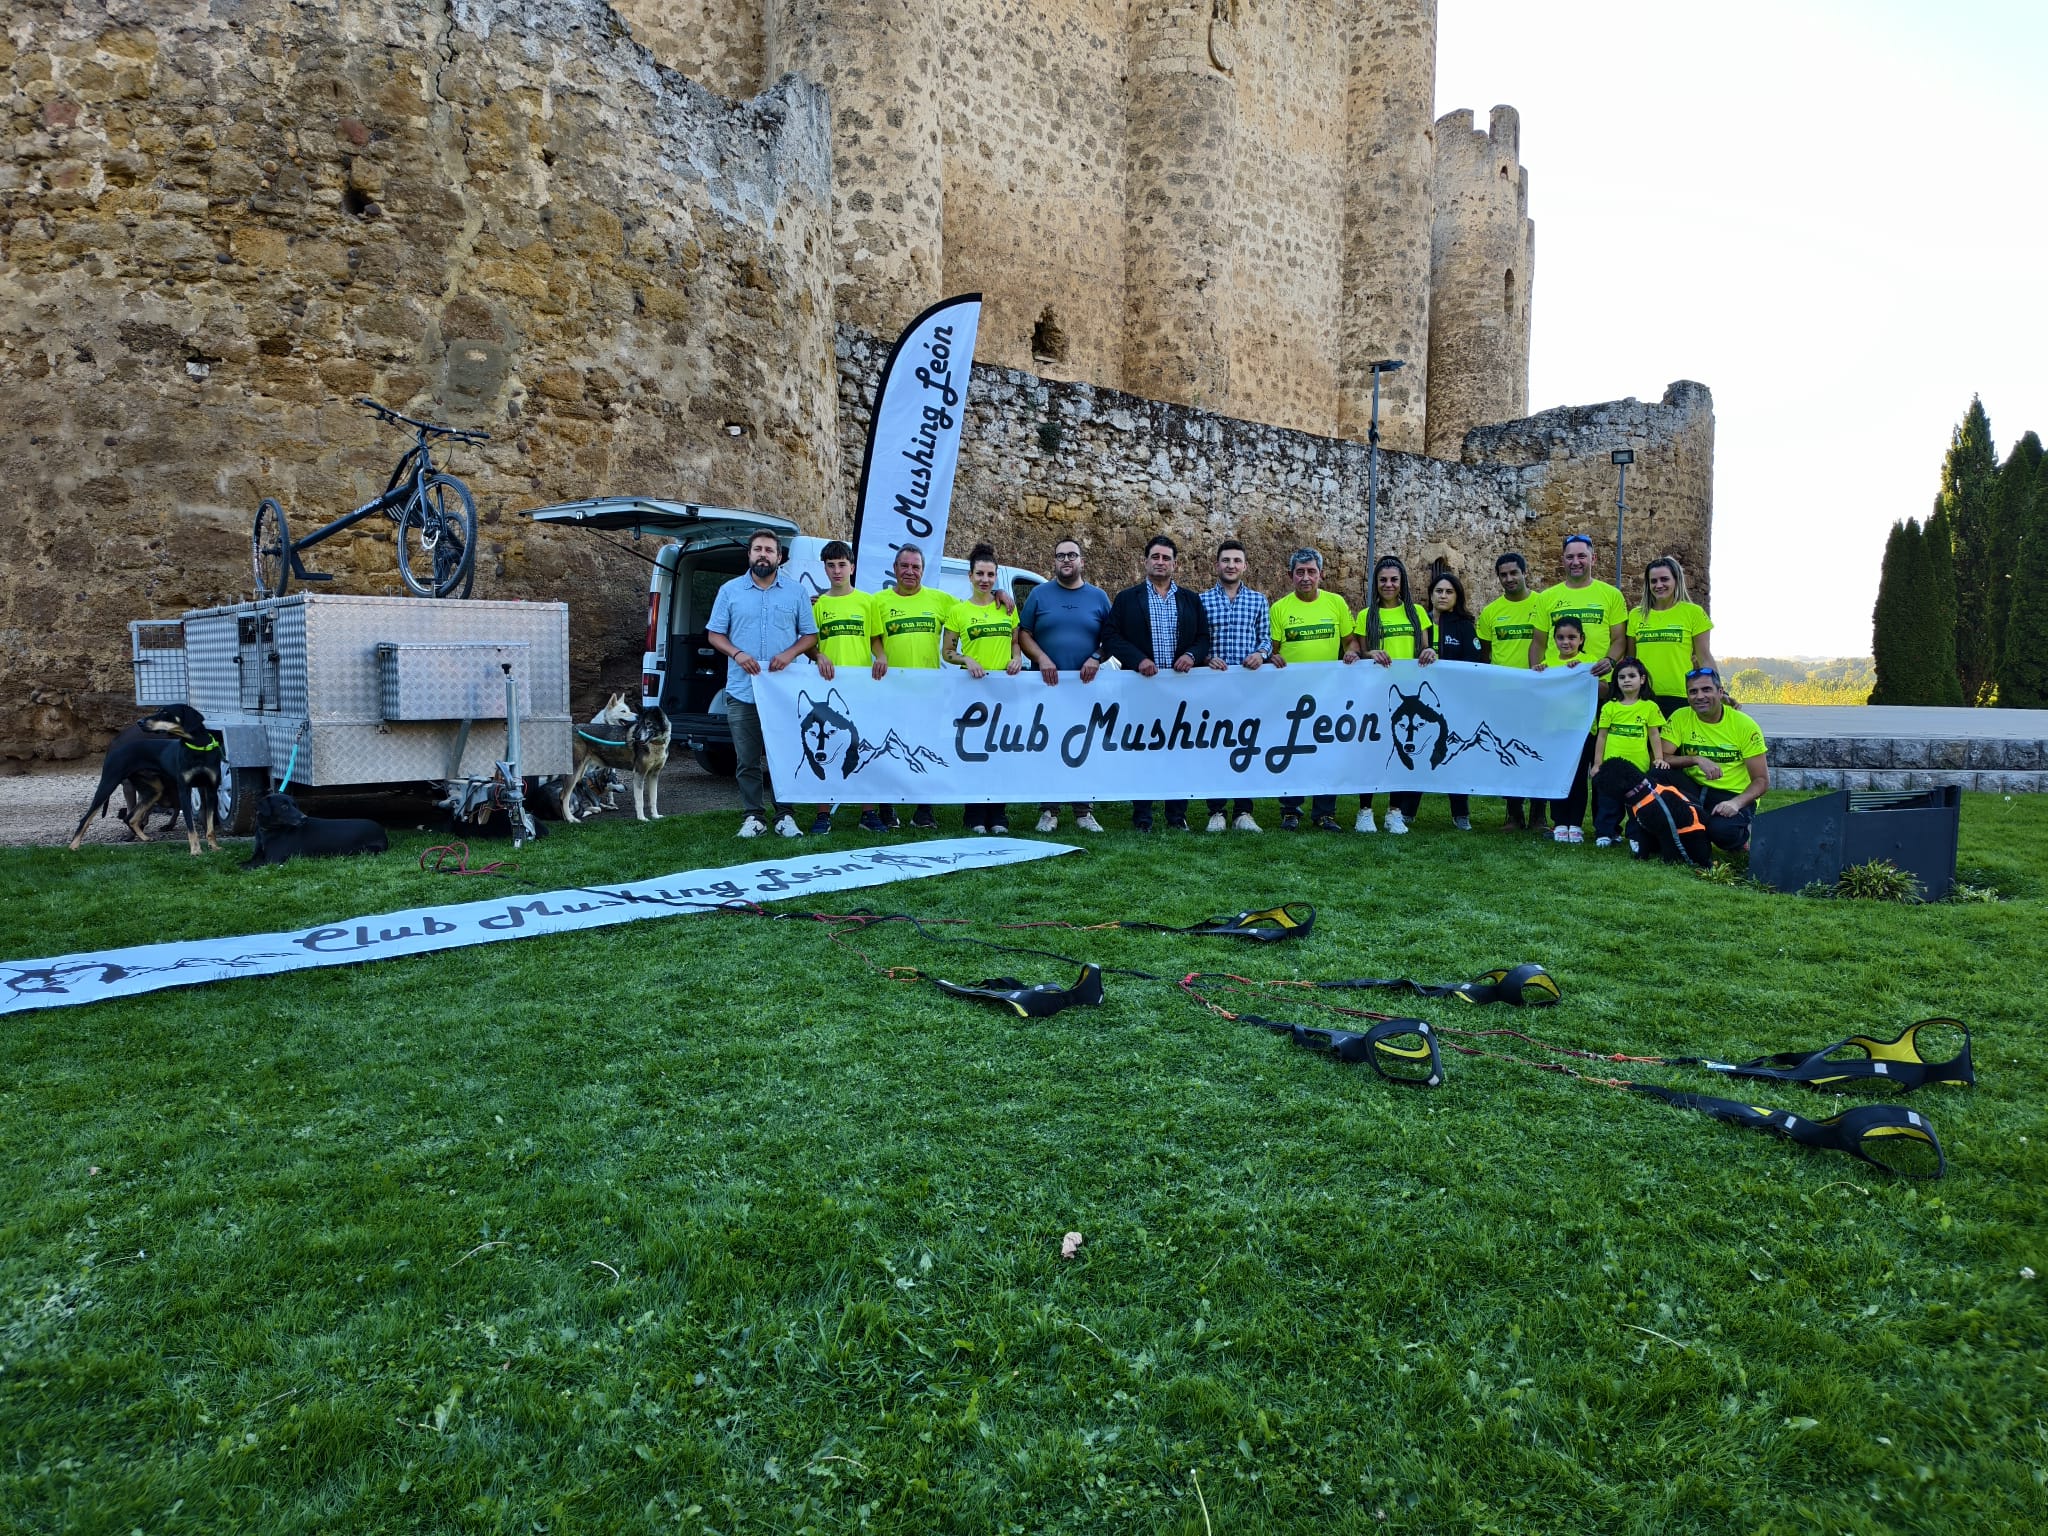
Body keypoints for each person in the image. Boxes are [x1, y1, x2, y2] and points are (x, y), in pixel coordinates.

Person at [706, 528, 818, 839]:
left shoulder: (796, 592)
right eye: (758, 549)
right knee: (747, 759)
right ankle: (753, 816)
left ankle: (785, 815)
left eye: (769, 550)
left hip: (783, 694)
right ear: (749, 554)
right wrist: (737, 653)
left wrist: (790, 653)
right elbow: (715, 634)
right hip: (743, 691)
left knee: (784, 756)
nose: (763, 555)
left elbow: (810, 635)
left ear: (779, 557)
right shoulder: (729, 591)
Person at [1102, 534, 1211, 831]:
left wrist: (1191, 655)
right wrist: (1138, 659)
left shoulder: (1190, 599)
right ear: (1145, 561)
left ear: (1175, 564)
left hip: (1180, 690)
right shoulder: (1127, 598)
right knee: (1143, 753)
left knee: (1179, 752)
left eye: (1166, 558)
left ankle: (1177, 816)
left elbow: (1203, 638)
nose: (1160, 562)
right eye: (1155, 557)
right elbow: (1111, 636)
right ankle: (1143, 816)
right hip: (1142, 689)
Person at [1017, 536, 1110, 834]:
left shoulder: (1098, 597)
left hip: (1086, 688)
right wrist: (1041, 658)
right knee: (1048, 746)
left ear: (1082, 561)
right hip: (1047, 688)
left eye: (1072, 555)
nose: (1066, 560)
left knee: (1084, 746)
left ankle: (1084, 811)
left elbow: (1112, 637)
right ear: (1054, 562)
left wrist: (1096, 657)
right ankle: (1049, 810)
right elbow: (1023, 633)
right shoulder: (1039, 595)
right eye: (1061, 556)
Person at [1267, 546, 1356, 831]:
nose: (1305, 577)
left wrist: (1352, 653)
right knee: (1291, 752)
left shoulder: (1336, 603)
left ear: (1321, 574)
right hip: (1291, 696)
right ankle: (1290, 810)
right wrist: (1272, 657)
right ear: (1290, 576)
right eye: (1300, 572)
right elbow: (1273, 649)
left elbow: (1350, 642)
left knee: (1327, 753)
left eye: (1311, 572)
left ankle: (1325, 813)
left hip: (1328, 693)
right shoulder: (1279, 609)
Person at [868, 543, 955, 831]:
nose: (909, 571)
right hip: (889, 690)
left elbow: (972, 610)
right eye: (904, 566)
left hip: (928, 691)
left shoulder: (941, 600)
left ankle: (923, 811)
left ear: (923, 570)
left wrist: (1000, 594)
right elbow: (872, 635)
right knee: (888, 748)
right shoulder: (877, 601)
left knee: (925, 747)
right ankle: (887, 808)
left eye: (915, 567)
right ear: (894, 569)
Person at [943, 542, 1023, 835]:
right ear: (970, 576)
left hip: (1004, 692)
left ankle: (998, 815)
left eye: (990, 574)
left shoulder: (1007, 607)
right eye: (979, 574)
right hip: (972, 692)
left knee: (1000, 752)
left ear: (996, 576)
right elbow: (947, 652)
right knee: (974, 752)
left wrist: (1017, 659)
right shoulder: (958, 611)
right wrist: (966, 659)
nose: (984, 579)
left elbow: (1015, 642)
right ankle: (974, 814)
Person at [806, 540, 883, 835]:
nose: (837, 570)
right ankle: (823, 814)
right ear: (824, 569)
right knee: (826, 747)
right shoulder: (819, 605)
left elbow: (875, 639)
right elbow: (809, 644)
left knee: (862, 747)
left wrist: (881, 656)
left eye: (842, 564)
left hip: (862, 687)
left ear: (852, 567)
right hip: (827, 689)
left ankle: (868, 812)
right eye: (831, 565)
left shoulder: (867, 601)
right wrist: (818, 655)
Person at [1358, 555, 1438, 835]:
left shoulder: (1417, 612)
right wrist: (1371, 653)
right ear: (1375, 584)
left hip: (1409, 694)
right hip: (1377, 692)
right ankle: (1365, 811)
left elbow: (1425, 649)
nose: (1388, 584)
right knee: (1372, 751)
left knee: (1403, 750)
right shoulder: (1366, 615)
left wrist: (1430, 652)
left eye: (1394, 579)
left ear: (1402, 582)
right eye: (1383, 580)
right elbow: (1362, 651)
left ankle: (1394, 812)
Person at [1198, 538, 1272, 832]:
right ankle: (1216, 811)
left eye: (1236, 561)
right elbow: (1196, 639)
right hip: (1213, 687)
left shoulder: (1258, 600)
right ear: (1217, 565)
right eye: (1226, 560)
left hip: (1247, 688)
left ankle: (1243, 812)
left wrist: (1261, 654)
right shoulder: (1202, 600)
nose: (1231, 565)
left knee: (1246, 745)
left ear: (1245, 566)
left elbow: (1266, 638)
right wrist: (1207, 657)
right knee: (1215, 747)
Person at [1660, 666, 1770, 852]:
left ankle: (1743, 832)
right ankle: (1668, 830)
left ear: (1720, 692)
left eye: (1706, 689)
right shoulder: (1680, 716)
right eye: (1693, 691)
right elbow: (1662, 757)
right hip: (1694, 788)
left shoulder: (1744, 725)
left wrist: (1736, 803)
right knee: (1658, 772)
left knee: (1722, 832)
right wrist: (1696, 759)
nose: (1699, 696)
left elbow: (1762, 780)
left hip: (1731, 794)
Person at [1477, 550, 1547, 832]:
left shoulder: (1543, 604)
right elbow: (1486, 655)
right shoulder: (1490, 612)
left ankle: (1539, 815)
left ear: (1524, 573)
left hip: (1537, 693)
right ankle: (1514, 814)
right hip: (1504, 695)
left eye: (1513, 573)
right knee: (1508, 752)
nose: (1509, 579)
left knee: (1538, 752)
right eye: (1503, 575)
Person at [1426, 570, 1482, 831]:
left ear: (1457, 596)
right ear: (1431, 595)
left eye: (1449, 592)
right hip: (1423, 700)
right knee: (1419, 751)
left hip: (1454, 701)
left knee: (1454, 754)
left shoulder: (1464, 625)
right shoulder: (1420, 622)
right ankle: (1407, 810)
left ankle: (1461, 813)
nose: (1443, 596)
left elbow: (1475, 661)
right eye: (1439, 591)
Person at [1589, 656, 1666, 847]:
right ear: (1616, 681)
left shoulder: (1650, 707)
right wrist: (1598, 764)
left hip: (1637, 767)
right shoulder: (1609, 707)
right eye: (1621, 677)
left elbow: (1654, 735)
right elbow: (1602, 737)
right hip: (1611, 766)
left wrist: (1658, 758)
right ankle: (1606, 833)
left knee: (1636, 803)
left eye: (1632, 676)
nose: (1626, 680)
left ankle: (1636, 836)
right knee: (1608, 802)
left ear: (1642, 679)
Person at [1625, 556, 1715, 715]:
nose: (1659, 585)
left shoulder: (1693, 612)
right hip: (1643, 696)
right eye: (1653, 581)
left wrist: (1717, 690)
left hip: (1681, 695)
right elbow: (1631, 660)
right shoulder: (1635, 615)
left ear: (1676, 581)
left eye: (1664, 579)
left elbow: (1704, 658)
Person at [1530, 534, 1626, 680]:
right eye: (1570, 557)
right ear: (1563, 560)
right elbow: (1538, 643)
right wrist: (1535, 678)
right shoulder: (1546, 597)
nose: (1575, 562)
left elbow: (1619, 639)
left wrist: (1610, 661)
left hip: (1599, 682)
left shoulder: (1612, 594)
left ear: (1593, 559)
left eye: (1582, 556)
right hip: (1557, 681)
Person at [1538, 614, 1593, 843]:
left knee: (1578, 778)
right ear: (1554, 639)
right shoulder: (1548, 662)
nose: (1566, 642)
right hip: (1554, 729)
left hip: (1580, 730)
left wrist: (1583, 673)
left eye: (1571, 637)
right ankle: (1559, 821)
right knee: (1557, 775)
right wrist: (1539, 675)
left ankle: (1576, 824)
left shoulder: (1590, 661)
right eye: (1560, 637)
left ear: (1581, 639)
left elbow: (1604, 689)